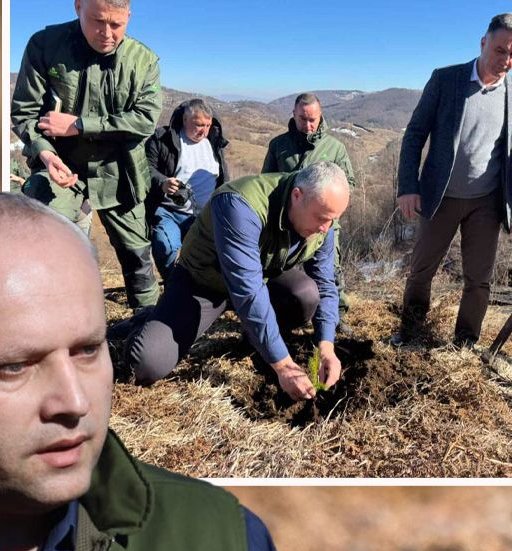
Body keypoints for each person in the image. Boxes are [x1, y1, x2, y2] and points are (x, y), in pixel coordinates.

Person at [0, 192, 315, 551]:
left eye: (87, 350)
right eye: (14, 367)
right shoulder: (242, 207)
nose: (75, 403)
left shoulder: (226, 545)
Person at [392, 12, 512, 348]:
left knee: (479, 280)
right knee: (421, 271)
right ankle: (411, 335)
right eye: (501, 50)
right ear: (484, 42)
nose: (506, 60)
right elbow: (414, 135)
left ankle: (465, 344)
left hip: (487, 200)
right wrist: (408, 187)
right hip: (440, 197)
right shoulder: (446, 80)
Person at [123, 162, 349, 401]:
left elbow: (325, 283)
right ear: (297, 196)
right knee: (146, 364)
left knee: (305, 295)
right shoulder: (239, 204)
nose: (326, 229)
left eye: (332, 220)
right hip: (204, 283)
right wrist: (283, 365)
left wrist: (326, 345)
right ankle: (145, 318)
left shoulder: (324, 218)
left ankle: (256, 340)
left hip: (262, 275)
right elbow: (248, 292)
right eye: (322, 218)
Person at [11, 0, 163, 310]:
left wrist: (79, 125)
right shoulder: (45, 45)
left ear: (129, 17)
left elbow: (145, 120)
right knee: (42, 240)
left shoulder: (143, 61)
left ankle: (146, 325)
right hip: (62, 167)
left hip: (120, 172)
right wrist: (45, 154)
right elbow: (24, 113)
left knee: (137, 255)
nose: (106, 33)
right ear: (78, 6)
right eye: (97, 21)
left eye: (117, 25)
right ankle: (54, 318)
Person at [262, 93, 357, 333]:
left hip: (324, 225)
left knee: (330, 272)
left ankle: (335, 319)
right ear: (293, 115)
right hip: (287, 224)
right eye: (302, 119)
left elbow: (349, 184)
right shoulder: (279, 145)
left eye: (313, 119)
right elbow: (266, 182)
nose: (308, 124)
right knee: (283, 271)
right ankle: (283, 314)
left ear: (321, 115)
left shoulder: (335, 148)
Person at [144, 98, 230, 276]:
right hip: (168, 210)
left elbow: (223, 178)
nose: (203, 131)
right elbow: (145, 168)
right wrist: (162, 182)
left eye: (207, 125)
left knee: (208, 258)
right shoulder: (163, 140)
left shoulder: (214, 142)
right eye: (198, 124)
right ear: (184, 120)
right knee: (166, 248)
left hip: (205, 214)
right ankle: (174, 289)